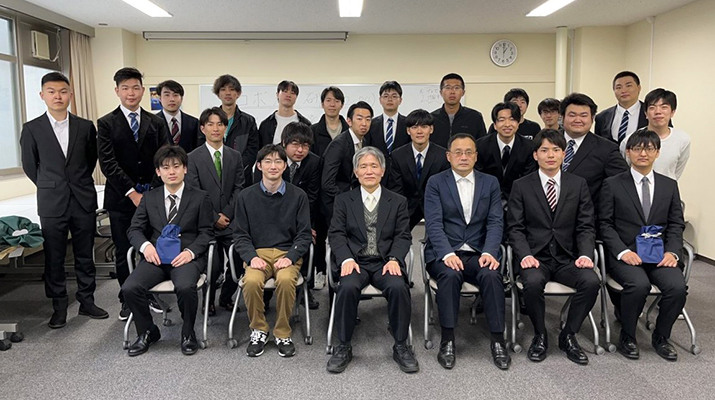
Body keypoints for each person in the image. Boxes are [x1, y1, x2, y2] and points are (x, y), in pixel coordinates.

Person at [20, 72, 108, 328]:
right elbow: (30, 166)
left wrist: (74, 183)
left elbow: (91, 160)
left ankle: (87, 301)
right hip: (51, 202)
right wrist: (52, 185)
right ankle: (58, 307)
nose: (57, 96)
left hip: (82, 199)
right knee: (54, 257)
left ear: (70, 94)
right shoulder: (32, 129)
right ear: (42, 95)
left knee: (84, 254)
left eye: (62, 91)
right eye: (51, 91)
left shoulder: (84, 126)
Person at [507, 129, 600, 364]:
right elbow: (515, 228)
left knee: (591, 281)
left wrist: (586, 255)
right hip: (535, 257)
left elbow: (586, 226)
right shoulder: (521, 185)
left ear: (564, 153)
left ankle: (568, 335)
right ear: (535, 155)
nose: (551, 155)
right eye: (544, 150)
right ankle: (540, 334)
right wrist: (525, 255)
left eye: (556, 150)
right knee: (532, 282)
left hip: (567, 257)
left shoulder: (578, 184)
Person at [326, 147, 417, 374]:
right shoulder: (343, 200)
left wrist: (395, 258)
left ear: (382, 171)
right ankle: (343, 345)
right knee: (346, 287)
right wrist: (345, 258)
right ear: (356, 172)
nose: (369, 171)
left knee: (398, 287)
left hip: (385, 261)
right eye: (363, 166)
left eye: (374, 166)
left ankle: (401, 345)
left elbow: (403, 235)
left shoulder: (397, 201)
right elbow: (336, 234)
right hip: (355, 261)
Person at [599, 129, 687, 361]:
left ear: (657, 152)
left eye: (649, 148)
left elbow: (676, 224)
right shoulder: (613, 184)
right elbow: (604, 224)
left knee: (677, 287)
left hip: (660, 255)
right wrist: (622, 251)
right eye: (637, 148)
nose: (643, 153)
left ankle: (661, 336)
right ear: (628, 152)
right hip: (626, 254)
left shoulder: (669, 185)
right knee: (638, 285)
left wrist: (672, 252)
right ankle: (628, 335)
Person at [423, 134, 509, 370]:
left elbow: (495, 222)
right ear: (448, 156)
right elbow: (433, 223)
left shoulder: (490, 182)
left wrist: (491, 251)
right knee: (449, 276)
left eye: (468, 152)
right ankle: (447, 339)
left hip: (479, 252)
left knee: (492, 276)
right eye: (458, 152)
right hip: (445, 252)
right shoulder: (436, 182)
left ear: (476, 156)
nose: (463, 157)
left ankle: (498, 340)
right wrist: (447, 254)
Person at [123, 145, 214, 357]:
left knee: (184, 286)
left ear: (185, 169)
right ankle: (147, 331)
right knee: (130, 288)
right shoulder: (149, 198)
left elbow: (206, 233)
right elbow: (135, 229)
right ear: (158, 171)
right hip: (155, 258)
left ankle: (188, 332)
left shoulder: (200, 197)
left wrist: (191, 252)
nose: (171, 171)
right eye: (165, 167)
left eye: (176, 166)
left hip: (186, 257)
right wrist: (146, 247)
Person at [97, 67, 171, 320]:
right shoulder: (106, 123)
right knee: (123, 249)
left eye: (135, 87)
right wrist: (131, 192)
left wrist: (149, 190)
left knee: (151, 246)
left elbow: (164, 157)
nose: (131, 92)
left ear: (142, 90)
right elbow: (108, 163)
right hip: (121, 199)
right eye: (125, 88)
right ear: (117, 91)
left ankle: (148, 292)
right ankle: (126, 298)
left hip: (153, 197)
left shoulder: (157, 122)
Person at [233, 144, 312, 358]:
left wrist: (291, 257)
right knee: (250, 281)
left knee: (286, 281)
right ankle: (259, 330)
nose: (273, 166)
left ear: (285, 166)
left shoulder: (298, 196)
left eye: (278, 161)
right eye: (267, 161)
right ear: (259, 166)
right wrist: (251, 257)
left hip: (287, 253)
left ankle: (282, 332)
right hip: (257, 253)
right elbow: (240, 234)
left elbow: (304, 235)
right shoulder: (246, 197)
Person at [253, 122, 322, 309]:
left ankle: (304, 291)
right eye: (295, 144)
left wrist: (308, 226)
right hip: (270, 220)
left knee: (309, 241)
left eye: (306, 146)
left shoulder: (314, 162)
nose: (300, 150)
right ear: (284, 142)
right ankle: (265, 297)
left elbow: (313, 197)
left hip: (301, 217)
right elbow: (259, 200)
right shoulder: (269, 162)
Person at [186, 107, 244, 315]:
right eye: (210, 124)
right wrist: (214, 217)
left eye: (220, 123)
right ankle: (208, 300)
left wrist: (226, 214)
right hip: (205, 222)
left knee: (238, 258)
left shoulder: (235, 156)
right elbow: (193, 192)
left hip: (230, 221)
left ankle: (227, 296)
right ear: (203, 128)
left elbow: (239, 187)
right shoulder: (192, 158)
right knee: (214, 264)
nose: (216, 128)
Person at [559, 93, 628, 212]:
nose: (577, 120)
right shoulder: (546, 142)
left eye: (583, 115)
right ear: (562, 117)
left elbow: (623, 182)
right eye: (572, 115)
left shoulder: (606, 149)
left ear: (592, 118)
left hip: (587, 219)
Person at [387, 109, 450, 230]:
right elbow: (396, 189)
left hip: (435, 207)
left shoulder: (442, 155)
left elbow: (444, 190)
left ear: (431, 129)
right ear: (408, 131)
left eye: (424, 126)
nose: (419, 131)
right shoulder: (397, 156)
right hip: (407, 207)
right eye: (415, 127)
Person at [619, 88, 690, 180]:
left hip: (667, 190)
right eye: (652, 108)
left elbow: (676, 171)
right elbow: (625, 170)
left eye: (664, 107)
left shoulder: (682, 139)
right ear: (646, 113)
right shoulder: (630, 140)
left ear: (672, 112)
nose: (658, 112)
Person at [321, 101, 373, 222]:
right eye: (359, 119)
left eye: (368, 119)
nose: (364, 123)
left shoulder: (364, 141)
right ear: (349, 121)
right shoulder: (339, 145)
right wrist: (348, 200)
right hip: (334, 203)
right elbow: (327, 183)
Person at [477, 102, 537, 206]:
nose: (507, 124)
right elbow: (479, 177)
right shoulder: (481, 146)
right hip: (486, 200)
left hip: (519, 201)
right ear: (495, 125)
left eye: (512, 119)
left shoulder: (529, 147)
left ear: (518, 124)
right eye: (502, 120)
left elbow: (528, 179)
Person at [209, 74, 259, 182]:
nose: (228, 93)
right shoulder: (208, 120)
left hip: (242, 178)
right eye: (223, 89)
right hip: (214, 176)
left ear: (238, 94)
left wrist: (236, 168)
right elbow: (202, 146)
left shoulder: (248, 121)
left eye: (232, 89)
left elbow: (253, 150)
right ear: (218, 94)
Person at [431, 73, 487, 148]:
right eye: (448, 88)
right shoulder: (432, 118)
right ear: (441, 92)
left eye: (456, 88)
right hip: (438, 159)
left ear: (463, 92)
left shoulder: (475, 117)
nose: (452, 92)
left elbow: (482, 145)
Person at [594, 71, 648, 144]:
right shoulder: (602, 117)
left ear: (639, 88)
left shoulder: (651, 112)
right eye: (619, 87)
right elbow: (598, 145)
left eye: (628, 86)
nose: (624, 90)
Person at [258, 80, 311, 149]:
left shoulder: (305, 124)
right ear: (277, 94)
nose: (288, 95)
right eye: (285, 91)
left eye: (292, 93)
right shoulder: (266, 124)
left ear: (296, 97)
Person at [367, 81, 410, 160]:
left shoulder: (408, 123)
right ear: (380, 100)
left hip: (402, 169)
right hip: (378, 168)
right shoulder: (371, 124)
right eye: (386, 96)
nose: (390, 99)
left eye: (394, 96)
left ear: (400, 100)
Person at [156, 80, 200, 153]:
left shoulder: (194, 123)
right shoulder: (153, 122)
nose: (172, 99)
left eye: (175, 95)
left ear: (181, 98)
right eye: (167, 95)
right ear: (160, 98)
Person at [311, 86, 349, 158]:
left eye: (337, 101)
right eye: (328, 100)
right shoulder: (312, 131)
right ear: (322, 104)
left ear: (342, 105)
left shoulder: (349, 130)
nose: (332, 104)